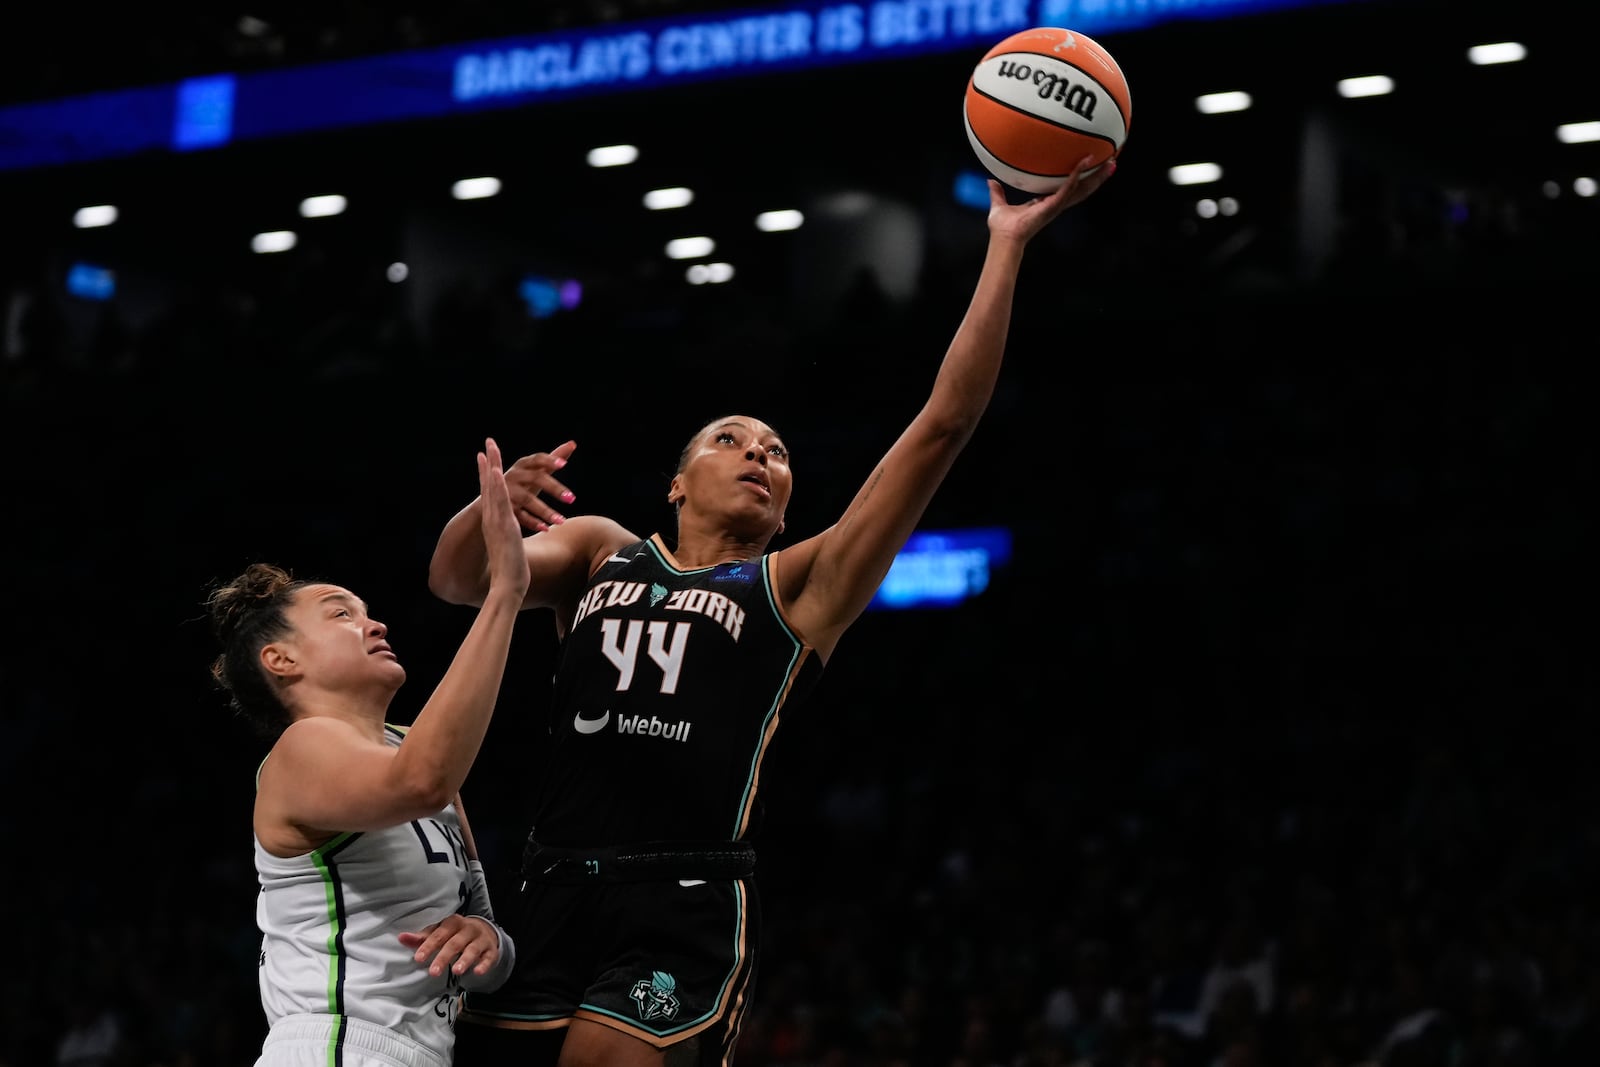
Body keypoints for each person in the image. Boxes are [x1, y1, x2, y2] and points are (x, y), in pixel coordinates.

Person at [427, 159, 1117, 1067]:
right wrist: (489, 512)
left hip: (682, 899)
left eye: (778, 451)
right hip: (550, 886)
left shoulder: (800, 587)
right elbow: (457, 581)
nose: (758, 452)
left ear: (787, 506)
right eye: (731, 440)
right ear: (676, 483)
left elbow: (944, 423)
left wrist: (1004, 244)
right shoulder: (602, 547)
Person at [205, 438, 531, 1067]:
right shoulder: (300, 751)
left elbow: (482, 939)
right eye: (341, 615)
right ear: (282, 660)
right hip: (333, 1046)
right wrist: (503, 594)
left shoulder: (407, 747)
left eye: (369, 612)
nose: (375, 624)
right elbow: (424, 782)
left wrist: (490, 941)